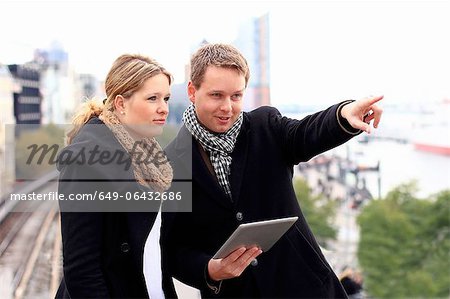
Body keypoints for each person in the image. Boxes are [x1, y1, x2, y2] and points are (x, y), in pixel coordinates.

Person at [162, 43, 383, 298]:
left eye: (236, 96)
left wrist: (343, 115)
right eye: (216, 95)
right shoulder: (170, 161)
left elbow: (306, 133)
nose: (227, 107)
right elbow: (174, 249)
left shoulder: (264, 126)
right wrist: (209, 270)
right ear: (192, 91)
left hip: (305, 287)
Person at [55, 54, 173, 298]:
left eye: (166, 98)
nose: (164, 108)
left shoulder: (148, 154)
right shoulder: (86, 160)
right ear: (120, 104)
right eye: (153, 98)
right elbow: (81, 271)